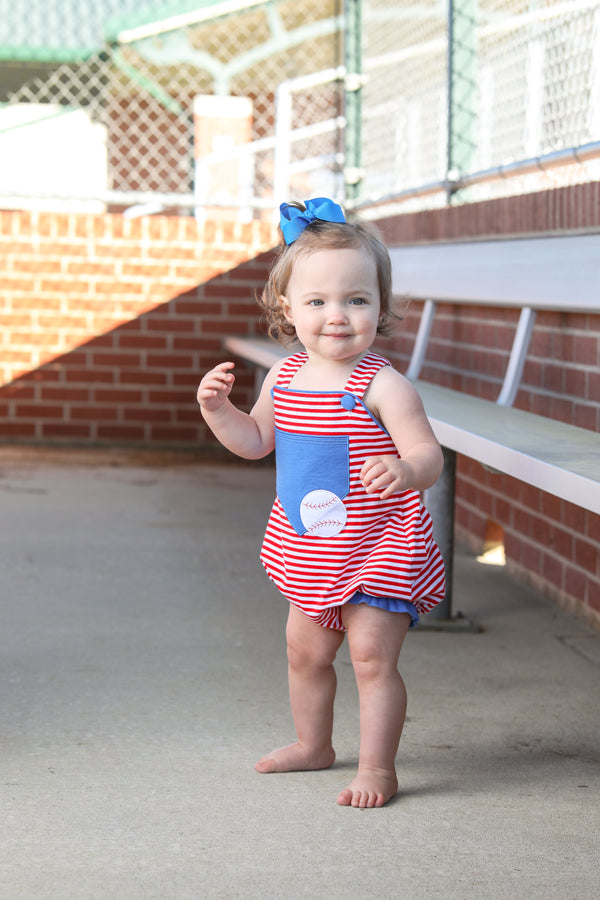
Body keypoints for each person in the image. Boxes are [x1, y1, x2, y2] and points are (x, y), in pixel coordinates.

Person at [197, 197, 445, 808]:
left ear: (380, 307)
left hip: (379, 543)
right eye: (317, 302)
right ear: (288, 309)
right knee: (305, 653)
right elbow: (256, 442)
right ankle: (314, 744)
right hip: (310, 543)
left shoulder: (384, 385)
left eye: (356, 300)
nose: (337, 316)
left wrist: (404, 466)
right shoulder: (283, 378)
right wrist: (219, 411)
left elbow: (430, 456)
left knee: (369, 658)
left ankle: (378, 768)